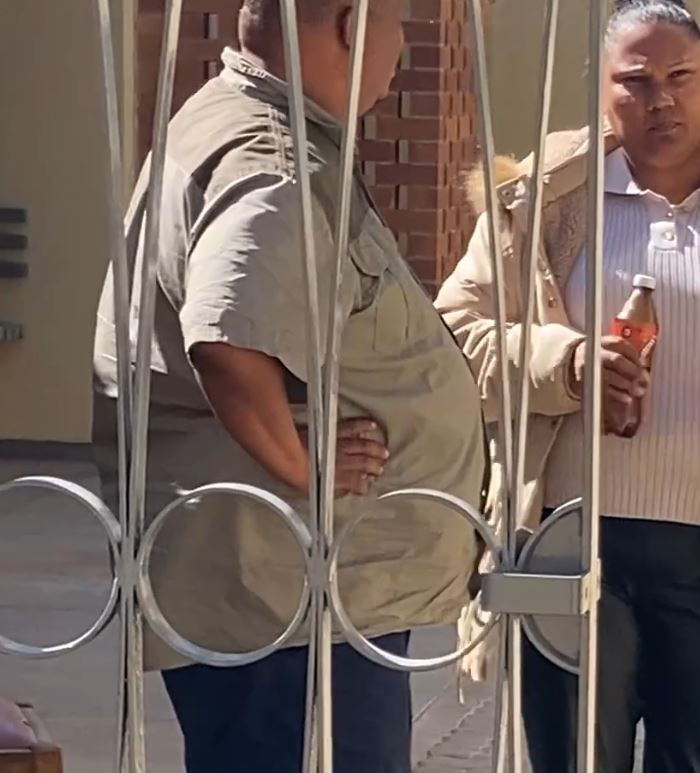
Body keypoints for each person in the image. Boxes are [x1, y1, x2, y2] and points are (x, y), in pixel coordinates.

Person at [435, 1, 700, 770]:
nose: (661, 100)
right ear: (602, 92)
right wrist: (568, 363)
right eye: (636, 82)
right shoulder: (542, 201)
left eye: (681, 78)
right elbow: (456, 333)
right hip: (568, 542)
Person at [90, 2, 486, 772]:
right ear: (352, 25)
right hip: (287, 603)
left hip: (291, 593)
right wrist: (306, 466)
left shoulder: (245, 122)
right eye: (399, 24)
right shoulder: (272, 161)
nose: (402, 46)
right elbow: (228, 337)